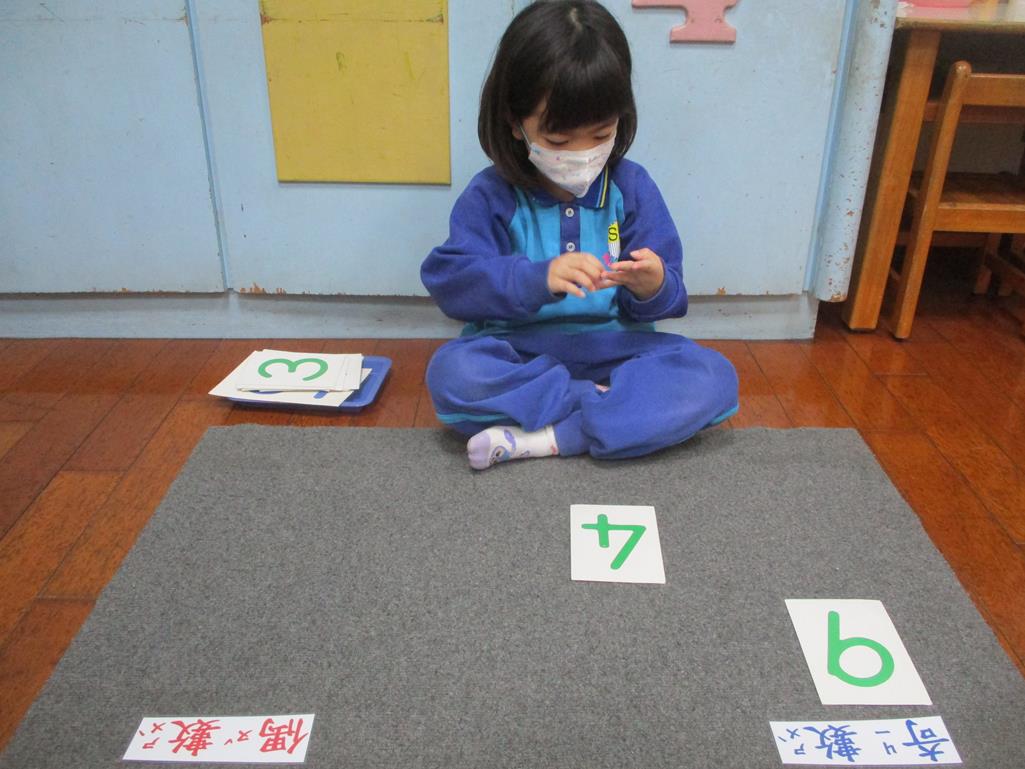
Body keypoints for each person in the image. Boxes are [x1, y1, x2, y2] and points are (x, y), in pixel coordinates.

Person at [421, 0, 739, 471]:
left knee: (713, 376)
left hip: (619, 349)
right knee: (454, 374)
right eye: (558, 141)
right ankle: (611, 414)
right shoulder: (491, 194)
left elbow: (669, 296)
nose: (582, 153)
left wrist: (653, 286)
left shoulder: (632, 187)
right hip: (519, 352)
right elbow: (452, 283)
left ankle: (552, 435)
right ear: (514, 122)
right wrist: (537, 278)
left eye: (600, 133)